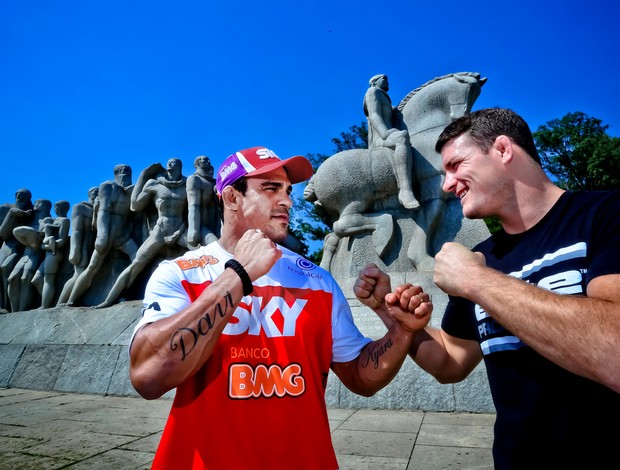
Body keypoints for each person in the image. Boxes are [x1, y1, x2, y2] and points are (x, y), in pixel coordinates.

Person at [129, 146, 433, 469]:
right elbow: (148, 375)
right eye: (270, 188)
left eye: (287, 191)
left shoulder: (318, 281)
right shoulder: (180, 273)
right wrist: (238, 275)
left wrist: (401, 331)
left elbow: (360, 375)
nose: (287, 200)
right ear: (232, 198)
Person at [354, 108, 620, 469]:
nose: (447, 184)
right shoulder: (482, 257)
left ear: (503, 150)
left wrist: (477, 282)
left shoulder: (607, 214)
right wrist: (392, 315)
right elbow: (450, 362)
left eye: (456, 164)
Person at [95, 158, 189, 308]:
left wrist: (178, 233)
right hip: (160, 230)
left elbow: (191, 213)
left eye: (175, 162)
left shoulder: (187, 184)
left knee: (204, 251)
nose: (171, 163)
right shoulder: (154, 184)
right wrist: (144, 175)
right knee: (137, 263)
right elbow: (135, 205)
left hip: (180, 229)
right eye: (169, 161)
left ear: (181, 167)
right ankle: (109, 300)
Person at [65, 164, 139, 306]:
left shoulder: (132, 191)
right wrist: (102, 235)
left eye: (128, 172)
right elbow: (103, 213)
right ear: (116, 173)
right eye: (122, 171)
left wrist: (132, 192)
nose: (125, 174)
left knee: (138, 261)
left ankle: (123, 293)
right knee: (92, 268)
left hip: (122, 237)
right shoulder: (108, 187)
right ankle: (71, 300)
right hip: (107, 235)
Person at [364, 73, 419, 210]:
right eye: (385, 79)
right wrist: (385, 133)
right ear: (374, 82)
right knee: (401, 138)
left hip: (388, 134)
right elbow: (374, 115)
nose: (388, 82)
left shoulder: (385, 98)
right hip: (380, 139)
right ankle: (405, 191)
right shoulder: (372, 92)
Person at [56, 187, 99, 305]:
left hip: (92, 245)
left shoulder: (98, 208)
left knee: (82, 275)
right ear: (89, 194)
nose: (97, 192)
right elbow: (75, 230)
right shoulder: (79, 207)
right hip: (81, 245)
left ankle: (67, 301)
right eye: (94, 191)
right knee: (78, 274)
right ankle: (62, 302)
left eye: (99, 191)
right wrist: (74, 250)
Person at [8, 199, 52, 312]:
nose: (36, 204)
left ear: (47, 207)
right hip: (25, 254)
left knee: (25, 278)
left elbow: (43, 239)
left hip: (36, 254)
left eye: (39, 203)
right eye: (36, 202)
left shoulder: (47, 221)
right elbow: (17, 232)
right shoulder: (30, 222)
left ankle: (22, 309)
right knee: (12, 278)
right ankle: (14, 309)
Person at [0, 188, 34, 312]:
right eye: (19, 196)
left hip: (24, 247)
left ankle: (9, 306)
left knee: (6, 269)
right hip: (7, 245)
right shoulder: (5, 208)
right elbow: (3, 234)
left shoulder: (33, 211)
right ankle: (2, 305)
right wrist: (11, 214)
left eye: (24, 197)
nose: (21, 199)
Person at [32, 200, 71, 308]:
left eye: (56, 206)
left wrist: (47, 246)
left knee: (48, 280)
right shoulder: (53, 221)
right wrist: (46, 246)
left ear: (63, 208)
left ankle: (45, 306)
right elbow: (44, 242)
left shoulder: (64, 221)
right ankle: (49, 302)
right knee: (36, 279)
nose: (54, 209)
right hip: (49, 253)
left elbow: (62, 241)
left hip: (55, 254)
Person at [186, 155, 220, 249]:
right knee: (216, 247)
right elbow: (193, 206)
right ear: (197, 164)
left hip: (216, 224)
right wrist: (193, 231)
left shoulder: (215, 182)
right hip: (201, 226)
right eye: (205, 160)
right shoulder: (194, 179)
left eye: (209, 160)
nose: (208, 162)